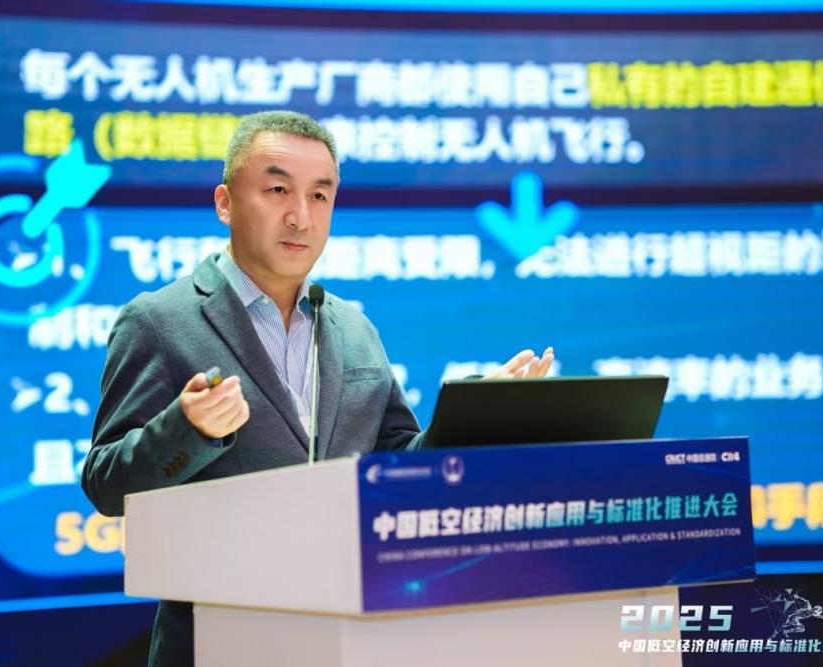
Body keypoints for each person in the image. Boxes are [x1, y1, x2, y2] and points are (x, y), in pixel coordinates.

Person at [82, 110, 554, 666]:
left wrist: (474, 417)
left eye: (319, 196)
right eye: (277, 190)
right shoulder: (159, 321)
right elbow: (105, 485)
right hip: (219, 640)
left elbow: (397, 463)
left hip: (352, 634)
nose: (300, 217)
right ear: (225, 203)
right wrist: (187, 430)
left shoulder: (353, 327)